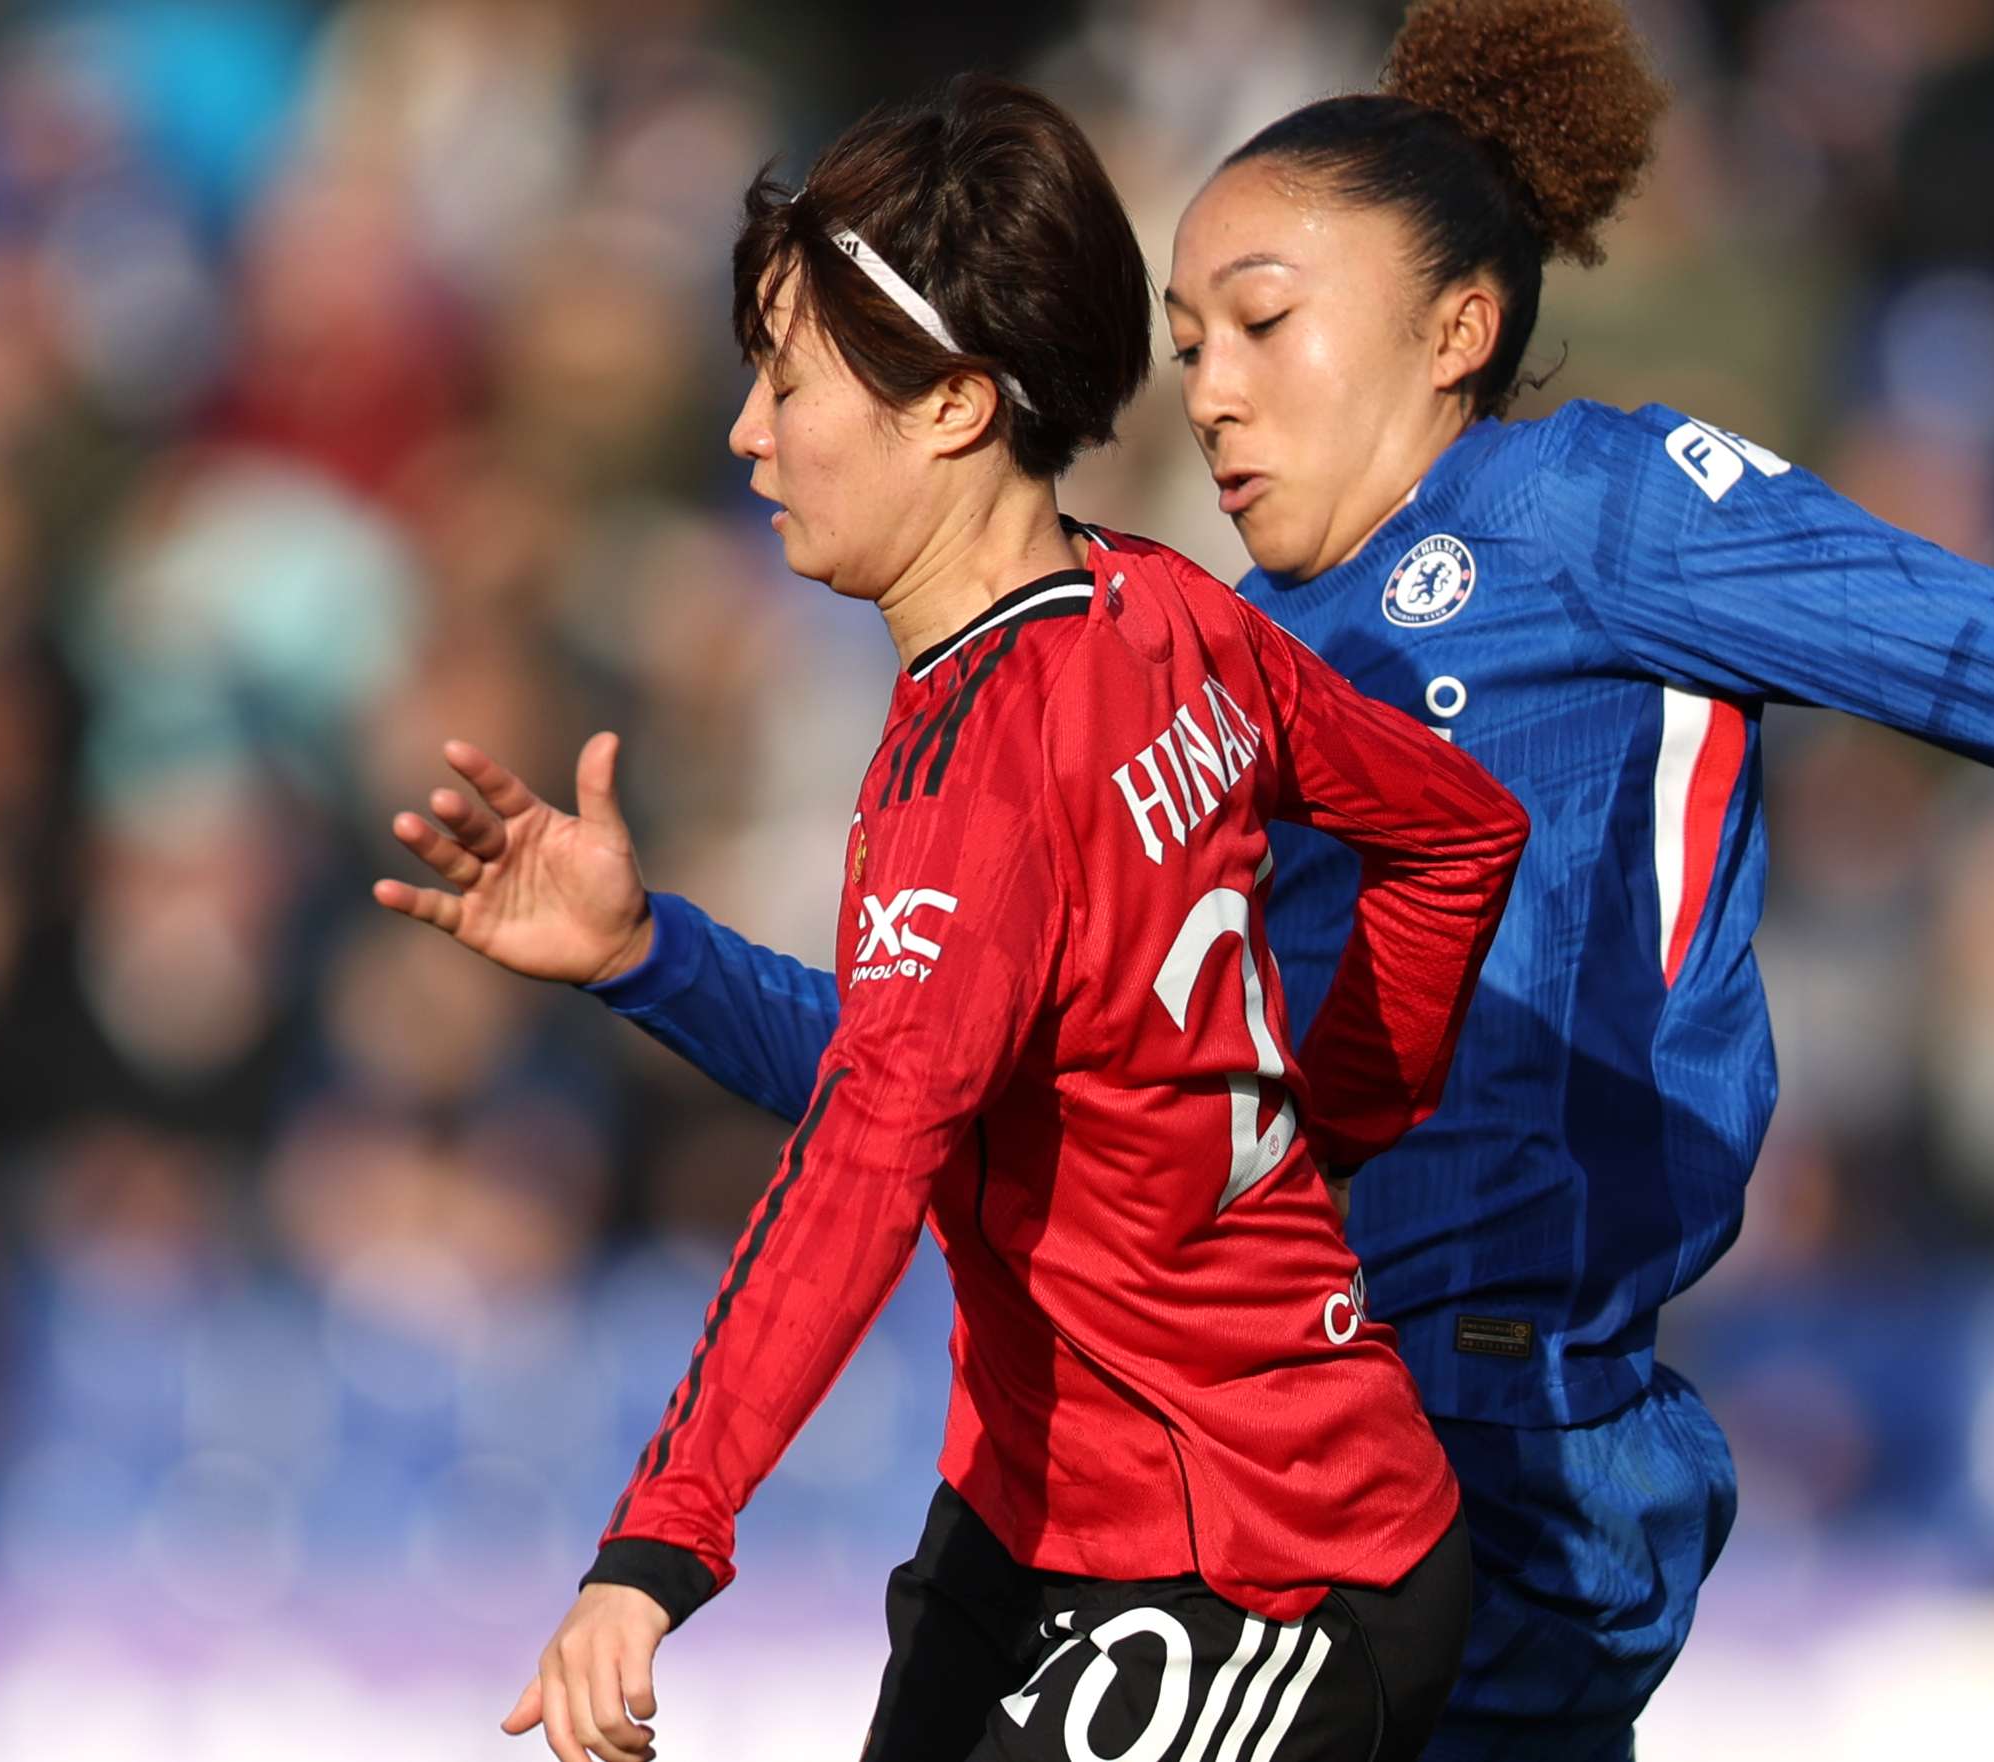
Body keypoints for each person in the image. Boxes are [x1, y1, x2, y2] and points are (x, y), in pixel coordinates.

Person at [393, 5, 1994, 1758]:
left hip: (1500, 1449)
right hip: (1273, 1457)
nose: (1209, 391)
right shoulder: (1200, 657)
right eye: (1188, 343)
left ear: (1458, 329)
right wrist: (647, 957)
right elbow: (1005, 1083)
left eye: (1265, 324)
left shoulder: (1597, 521)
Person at [378, 76, 1529, 1762]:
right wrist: (651, 954)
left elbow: (865, 1158)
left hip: (1253, 1558)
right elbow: (1452, 835)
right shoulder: (1170, 616)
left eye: (786, 379)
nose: (746, 433)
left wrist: (657, 1546)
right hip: (1043, 1522)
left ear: (952, 404)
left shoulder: (982, 770)